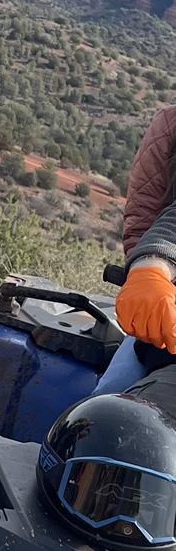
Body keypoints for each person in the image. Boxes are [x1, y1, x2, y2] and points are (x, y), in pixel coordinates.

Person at [94, 107, 176, 392]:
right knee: (107, 403)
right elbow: (145, 217)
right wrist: (148, 267)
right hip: (166, 315)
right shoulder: (170, 123)